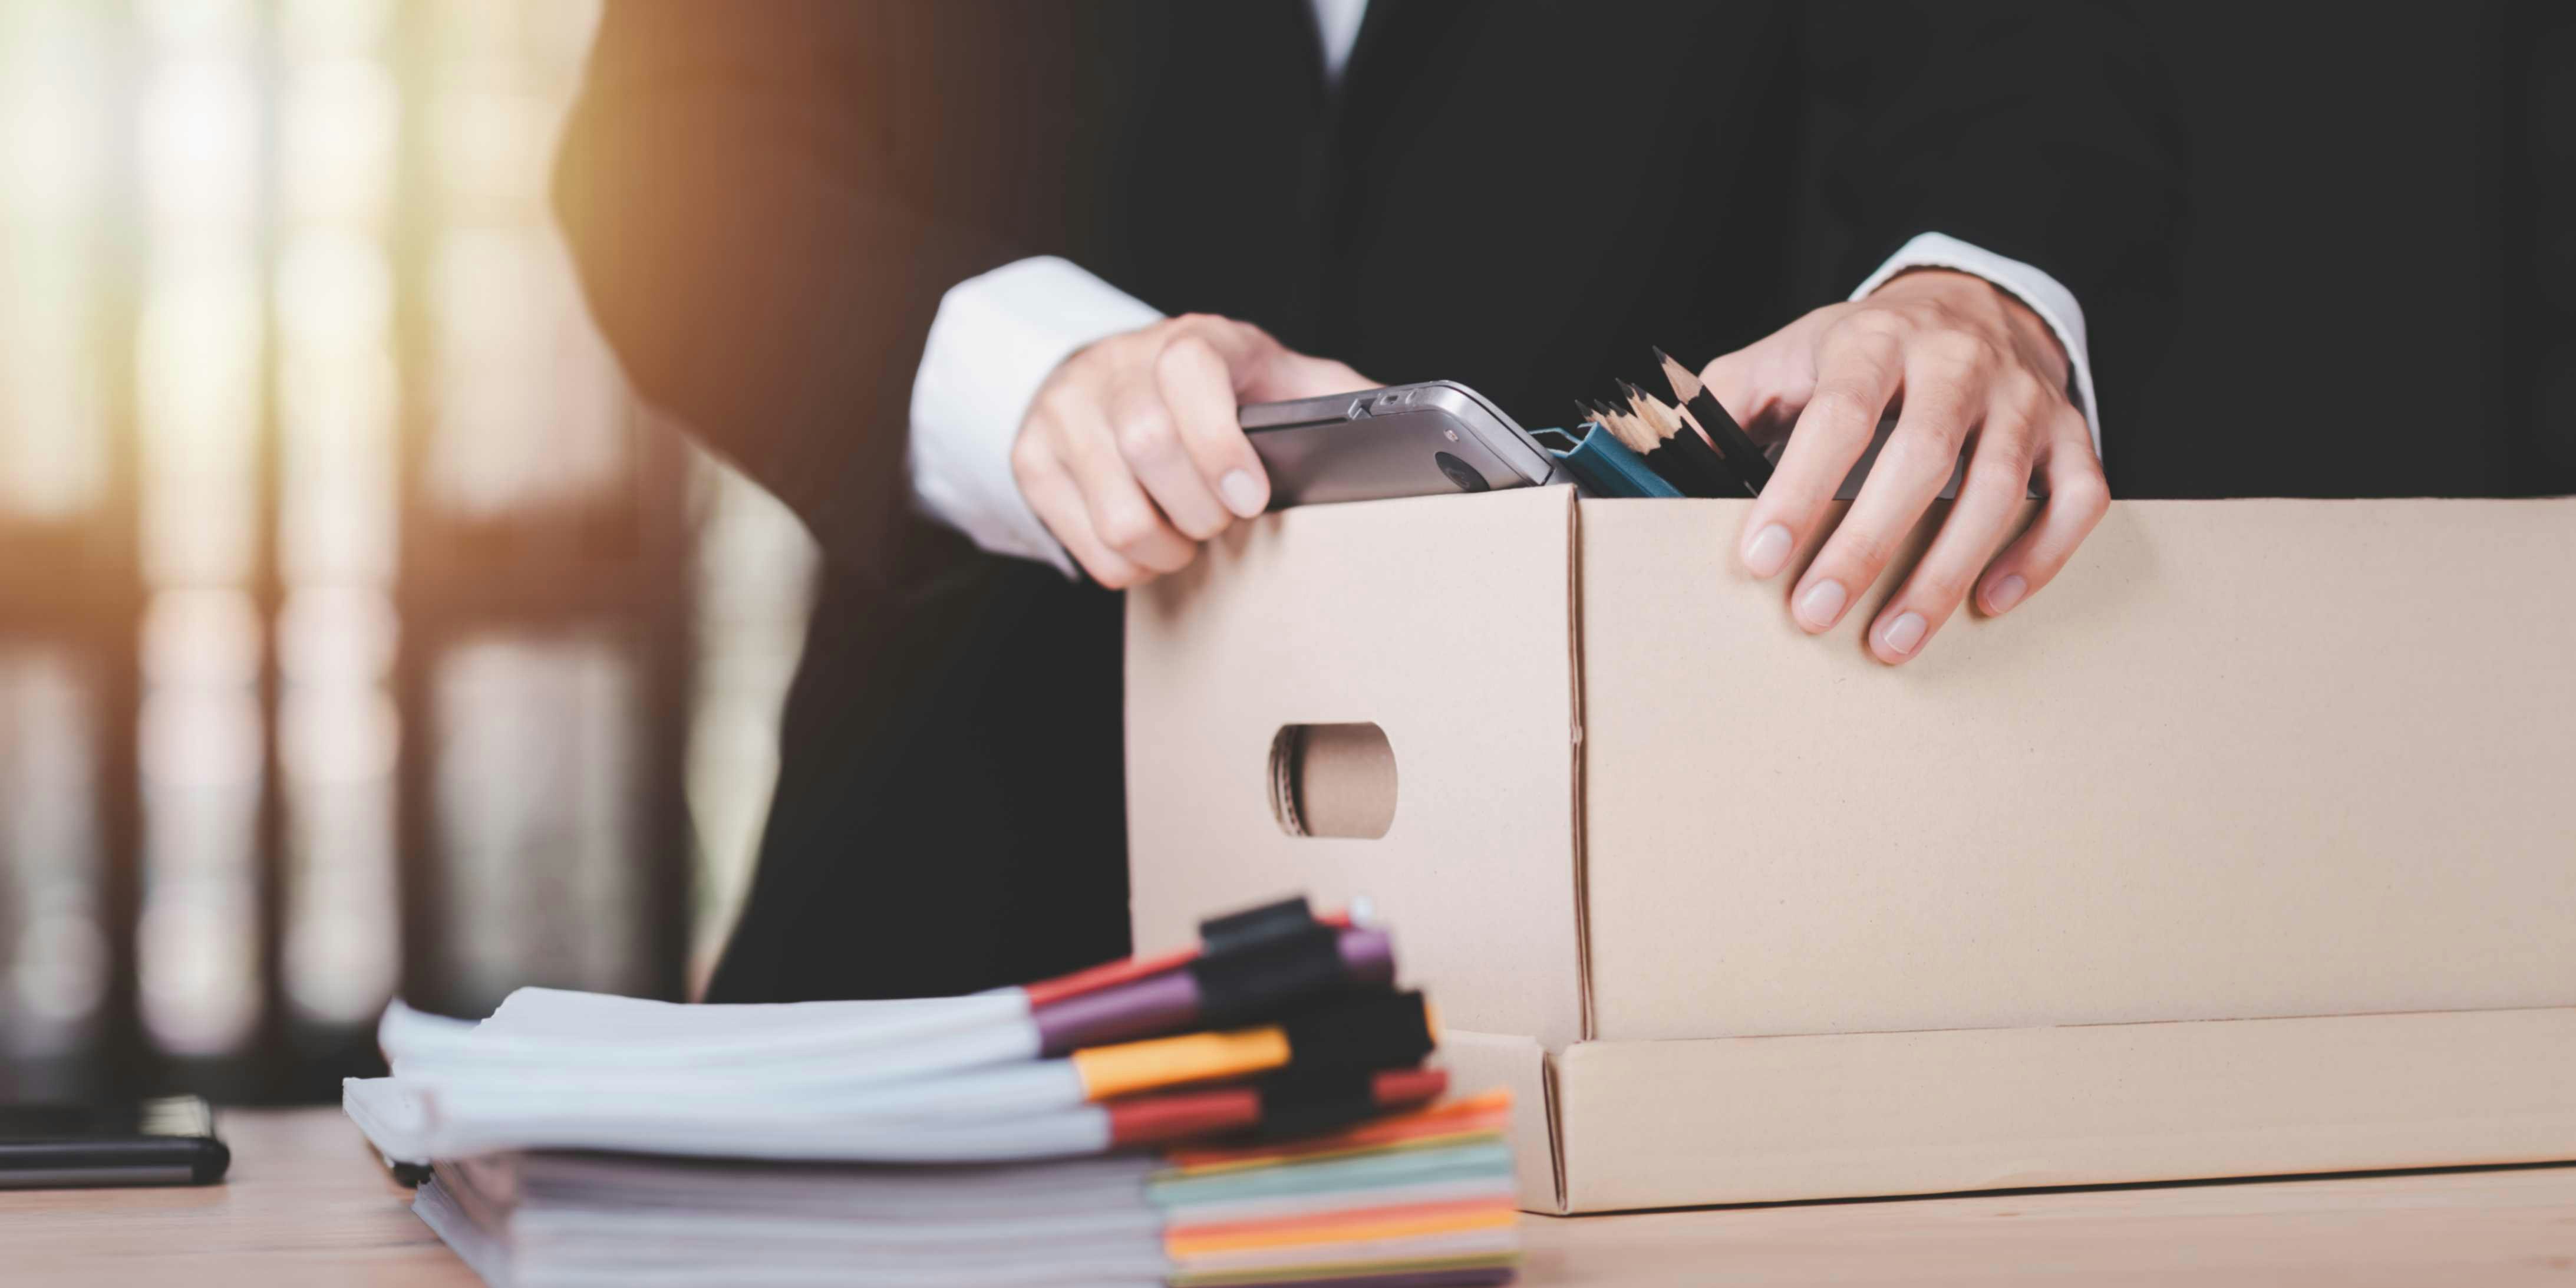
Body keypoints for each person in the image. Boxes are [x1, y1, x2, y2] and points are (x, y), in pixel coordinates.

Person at [552, 2, 2186, 1003]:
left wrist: (1979, 297)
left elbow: (2030, 74)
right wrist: (1032, 379)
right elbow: (671, 154)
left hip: (1635, 921)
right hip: (957, 910)